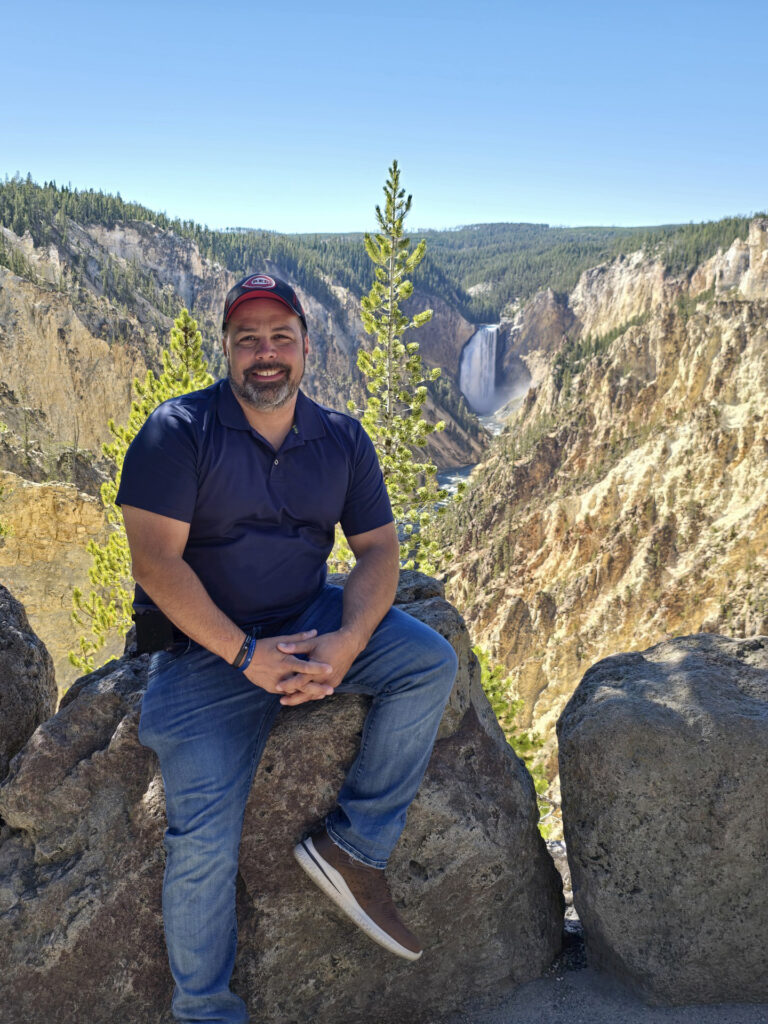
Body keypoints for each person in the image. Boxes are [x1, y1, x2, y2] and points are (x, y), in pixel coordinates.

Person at [118, 271, 458, 1024]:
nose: (264, 354)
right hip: (206, 652)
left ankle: (353, 848)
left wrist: (346, 641)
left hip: (309, 618)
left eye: (280, 338)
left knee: (429, 662)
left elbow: (377, 552)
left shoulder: (339, 438)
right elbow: (155, 565)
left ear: (308, 346)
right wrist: (246, 656)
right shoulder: (176, 433)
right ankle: (204, 1010)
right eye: (248, 340)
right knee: (202, 839)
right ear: (228, 350)